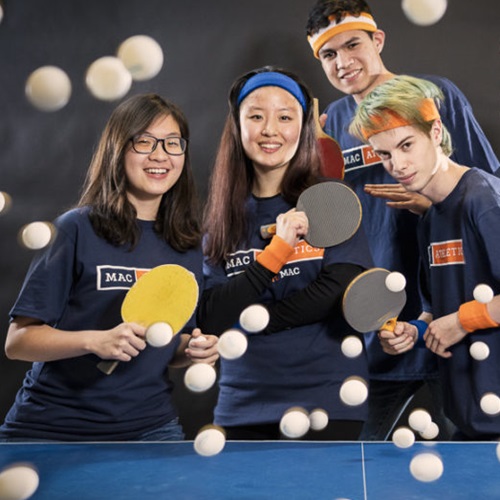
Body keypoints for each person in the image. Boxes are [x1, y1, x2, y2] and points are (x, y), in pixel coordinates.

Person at [305, 0, 499, 441]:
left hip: (459, 317)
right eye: (329, 55)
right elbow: (335, 213)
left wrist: (431, 204)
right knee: (363, 463)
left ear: (378, 40)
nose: (343, 62)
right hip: (385, 320)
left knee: (472, 450)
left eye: (352, 44)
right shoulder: (333, 120)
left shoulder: (434, 95)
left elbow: (483, 186)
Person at [0, 93, 218, 442]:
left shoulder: (188, 244)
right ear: (118, 149)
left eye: (172, 143)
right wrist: (95, 341)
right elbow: (19, 341)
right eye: (144, 141)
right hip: (52, 428)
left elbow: (168, 342)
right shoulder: (75, 228)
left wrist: (192, 349)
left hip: (150, 429)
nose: (160, 155)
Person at [197, 65, 374, 440]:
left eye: (285, 117)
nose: (270, 130)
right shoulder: (222, 219)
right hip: (243, 403)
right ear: (238, 126)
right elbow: (212, 314)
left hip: (330, 399)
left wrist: (251, 320)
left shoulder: (332, 201)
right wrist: (276, 252)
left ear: (302, 126)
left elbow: (339, 288)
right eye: (256, 116)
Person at [349, 74, 500, 440]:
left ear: (435, 132)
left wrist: (464, 320)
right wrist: (412, 332)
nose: (397, 165)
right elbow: (438, 311)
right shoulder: (430, 218)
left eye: (406, 145)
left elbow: (460, 318)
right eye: (384, 154)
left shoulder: (484, 200)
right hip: (470, 421)